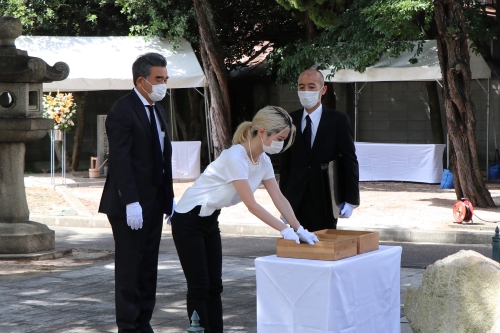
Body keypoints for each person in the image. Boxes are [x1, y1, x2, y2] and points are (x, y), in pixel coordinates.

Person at [171, 106, 319, 333]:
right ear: (262, 132)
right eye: (279, 138)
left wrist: (299, 228)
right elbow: (251, 205)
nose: (281, 143)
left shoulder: (263, 160)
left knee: (215, 285)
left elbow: (278, 197)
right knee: (199, 286)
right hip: (188, 219)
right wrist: (283, 229)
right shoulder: (236, 156)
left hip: (210, 219)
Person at [98, 52, 174, 333]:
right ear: (141, 81)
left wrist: (170, 197)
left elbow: (163, 156)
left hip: (154, 201)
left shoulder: (157, 109)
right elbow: (121, 161)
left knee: (148, 266)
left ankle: (144, 322)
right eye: (158, 79)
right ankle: (128, 326)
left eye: (165, 79)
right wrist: (131, 202)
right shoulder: (122, 110)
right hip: (128, 204)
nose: (163, 84)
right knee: (130, 267)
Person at [279, 68, 360, 232]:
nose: (306, 91)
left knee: (324, 247)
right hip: (296, 197)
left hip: (325, 197)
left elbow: (349, 160)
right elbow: (285, 164)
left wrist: (351, 199)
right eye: (301, 87)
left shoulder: (338, 121)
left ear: (323, 90)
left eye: (311, 86)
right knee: (297, 248)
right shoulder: (289, 120)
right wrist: (283, 201)